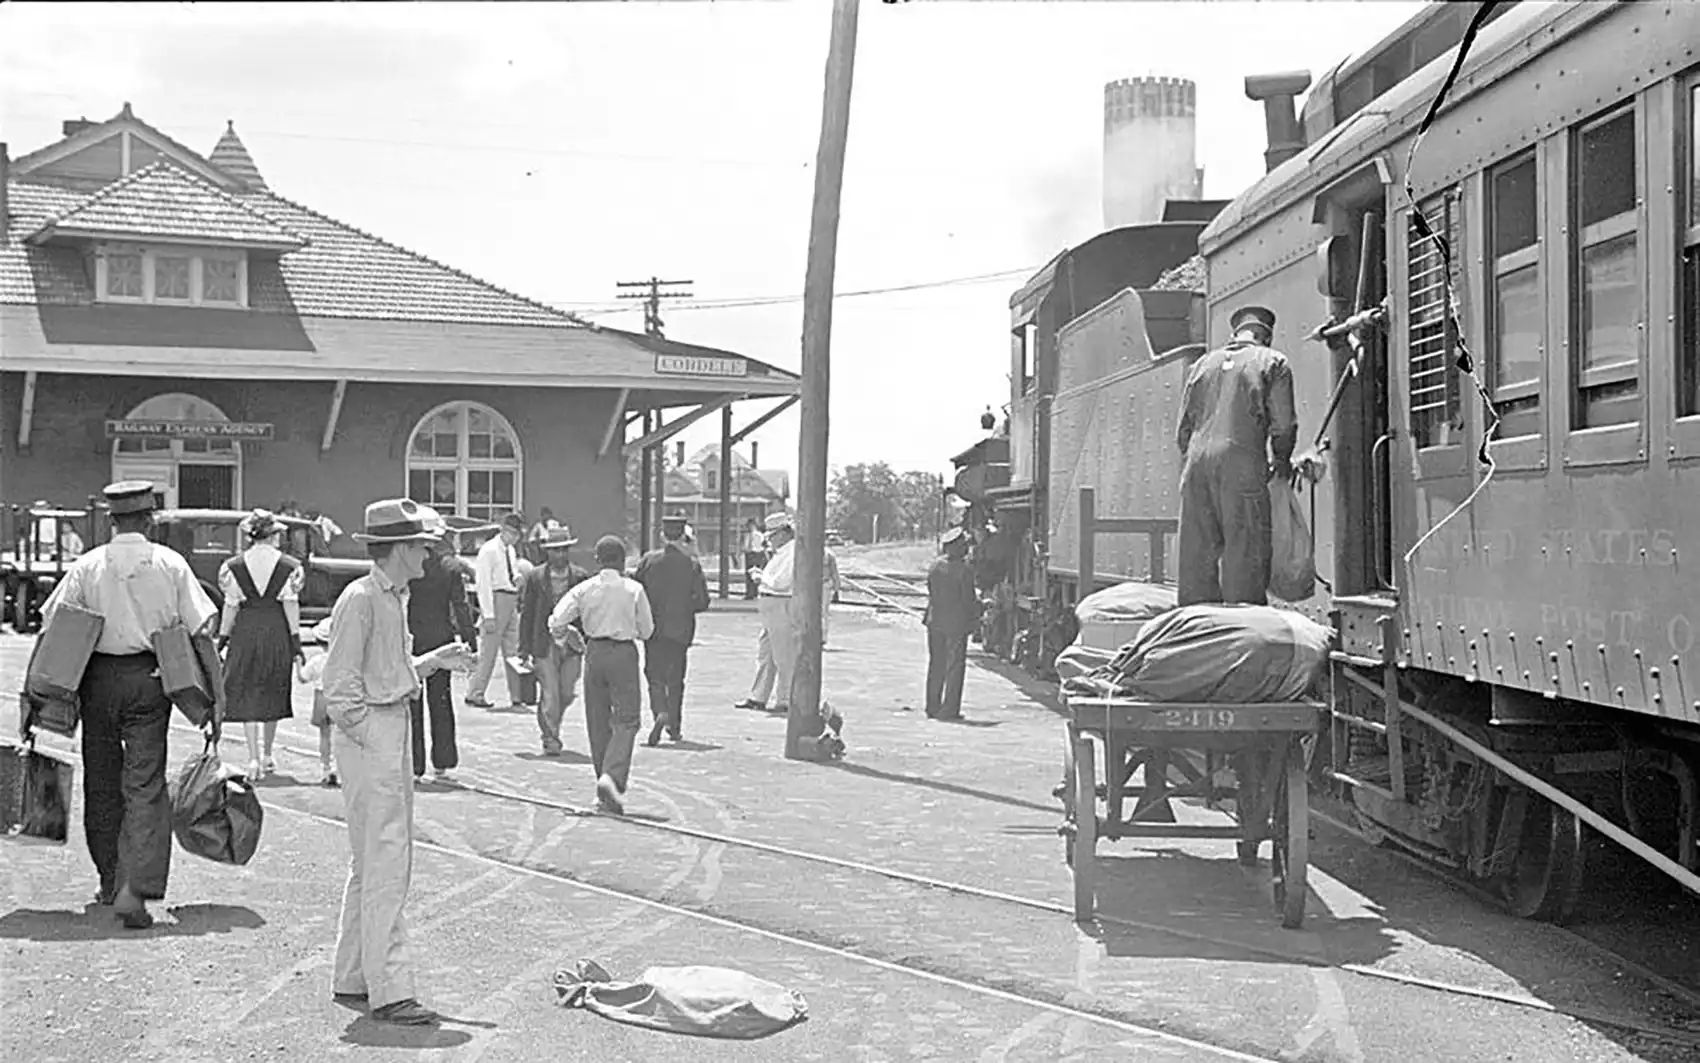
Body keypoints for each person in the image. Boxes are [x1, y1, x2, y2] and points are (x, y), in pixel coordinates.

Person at [34, 480, 218, 929]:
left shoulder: (88, 565)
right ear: (149, 519)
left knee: (101, 780)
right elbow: (201, 633)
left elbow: (51, 629)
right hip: (151, 681)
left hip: (96, 680)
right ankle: (135, 888)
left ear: (112, 521)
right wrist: (215, 699)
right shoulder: (171, 565)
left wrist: (31, 697)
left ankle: (108, 879)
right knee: (145, 784)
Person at [322, 498, 473, 1026]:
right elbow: (339, 690)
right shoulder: (362, 600)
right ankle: (390, 989)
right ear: (401, 549)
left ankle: (355, 975)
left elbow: (384, 670)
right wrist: (373, 738)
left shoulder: (388, 597)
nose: (430, 555)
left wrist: (432, 662)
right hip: (374, 735)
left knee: (370, 864)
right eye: (424, 547)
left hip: (383, 730)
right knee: (387, 864)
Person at [1174, 304, 1298, 607]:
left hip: (1195, 466)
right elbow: (1283, 425)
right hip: (1241, 464)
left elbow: (1182, 431)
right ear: (1265, 336)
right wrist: (1280, 460)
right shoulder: (1273, 361)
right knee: (1246, 555)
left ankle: (1196, 632)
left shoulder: (1201, 365)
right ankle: (1242, 632)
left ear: (1236, 334)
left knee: (1196, 558)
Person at [548, 535, 654, 814]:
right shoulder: (634, 589)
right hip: (623, 653)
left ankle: (602, 787)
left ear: (597, 561)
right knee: (627, 719)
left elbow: (557, 619)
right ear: (622, 561)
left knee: (597, 720)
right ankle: (612, 777)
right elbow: (647, 631)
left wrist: (565, 635)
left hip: (593, 652)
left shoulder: (584, 589)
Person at [217, 509, 304, 780]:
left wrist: (223, 638)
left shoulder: (232, 567)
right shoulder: (291, 566)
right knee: (272, 688)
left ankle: (253, 756)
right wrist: (296, 641)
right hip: (276, 630)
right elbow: (291, 605)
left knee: (246, 690)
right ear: (272, 535)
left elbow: (230, 606)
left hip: (245, 630)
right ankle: (268, 754)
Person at [407, 516, 479, 782]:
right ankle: (443, 761)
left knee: (412, 701)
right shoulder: (450, 568)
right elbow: (461, 608)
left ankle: (414, 765)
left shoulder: (410, 567)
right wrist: (471, 644)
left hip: (411, 639)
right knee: (441, 701)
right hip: (441, 639)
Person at [634, 510, 711, 746]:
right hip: (680, 629)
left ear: (662, 535)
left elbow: (636, 592)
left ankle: (659, 711)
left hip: (653, 628)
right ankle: (675, 727)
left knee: (654, 674)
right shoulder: (691, 564)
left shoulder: (648, 560)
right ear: (684, 536)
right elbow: (703, 601)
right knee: (676, 678)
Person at [518, 525, 591, 757]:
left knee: (566, 692)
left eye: (563, 550)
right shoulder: (536, 577)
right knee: (550, 693)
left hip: (572, 644)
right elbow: (527, 613)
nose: (560, 554)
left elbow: (587, 614)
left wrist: (588, 643)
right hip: (544, 643)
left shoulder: (580, 577)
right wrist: (524, 648)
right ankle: (550, 738)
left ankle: (552, 725)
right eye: (555, 550)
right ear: (547, 552)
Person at [735, 511, 796, 712]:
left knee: (783, 654)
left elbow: (781, 583)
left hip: (780, 603)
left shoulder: (793, 552)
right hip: (771, 606)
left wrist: (761, 577)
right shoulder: (781, 553)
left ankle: (786, 699)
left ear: (783, 534)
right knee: (766, 653)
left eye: (772, 536)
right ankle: (758, 696)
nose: (770, 541)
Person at [465, 513, 526, 709]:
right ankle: (475, 692)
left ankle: (517, 695)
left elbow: (511, 570)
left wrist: (516, 577)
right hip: (496, 598)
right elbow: (483, 584)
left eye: (517, 534)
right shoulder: (489, 551)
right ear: (504, 530)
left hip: (510, 596)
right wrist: (488, 614)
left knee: (512, 650)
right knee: (488, 652)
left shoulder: (510, 551)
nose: (515, 538)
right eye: (513, 533)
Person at [923, 526, 979, 721]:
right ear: (956, 547)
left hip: (935, 621)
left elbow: (931, 590)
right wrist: (975, 619)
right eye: (964, 545)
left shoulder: (934, 566)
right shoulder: (964, 569)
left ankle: (932, 706)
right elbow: (968, 599)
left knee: (936, 664)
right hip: (956, 624)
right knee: (955, 666)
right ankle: (949, 709)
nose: (966, 548)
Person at [298, 617, 339, 787]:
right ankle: (338, 768)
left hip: (321, 697)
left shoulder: (316, 661)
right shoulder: (344, 658)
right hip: (340, 696)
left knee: (324, 735)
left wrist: (298, 664)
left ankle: (325, 768)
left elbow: (302, 678)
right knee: (340, 734)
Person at [742, 518, 767, 600]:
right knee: (750, 575)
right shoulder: (748, 535)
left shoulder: (757, 535)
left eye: (749, 526)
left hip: (754, 555)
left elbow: (757, 547)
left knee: (753, 574)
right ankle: (751, 593)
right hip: (751, 555)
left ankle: (753, 593)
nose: (747, 528)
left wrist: (749, 550)